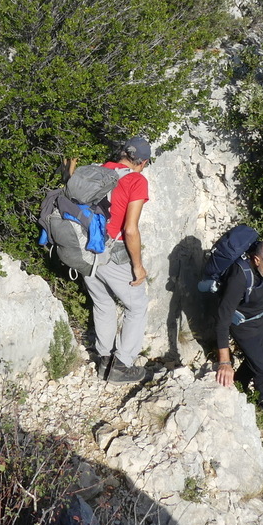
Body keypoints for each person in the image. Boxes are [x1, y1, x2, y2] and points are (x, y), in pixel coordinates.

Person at [86, 137, 152, 385]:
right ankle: (122, 365)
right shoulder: (136, 180)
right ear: (142, 162)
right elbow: (131, 230)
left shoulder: (100, 170)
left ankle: (104, 361)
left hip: (86, 249)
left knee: (102, 302)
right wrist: (138, 266)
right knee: (136, 306)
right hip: (112, 252)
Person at [214, 238, 263, 440]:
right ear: (257, 260)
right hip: (245, 327)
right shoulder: (239, 277)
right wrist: (225, 361)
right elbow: (222, 320)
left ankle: (240, 381)